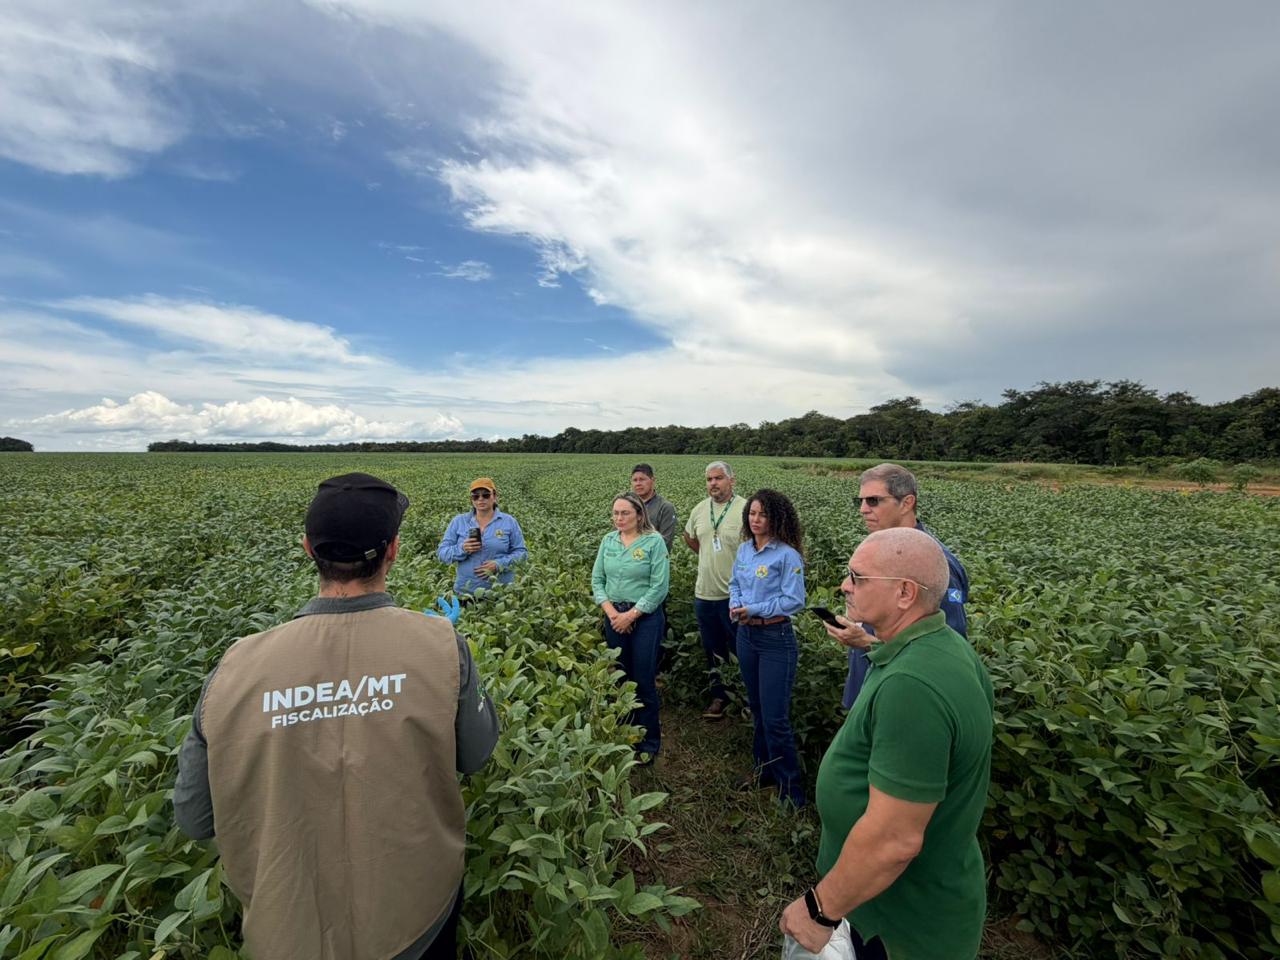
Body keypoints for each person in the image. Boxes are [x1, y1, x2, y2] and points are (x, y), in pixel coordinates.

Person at [173, 472, 500, 960]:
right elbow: (476, 754)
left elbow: (195, 818)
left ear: (308, 548)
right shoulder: (439, 646)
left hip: (287, 923)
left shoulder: (237, 665)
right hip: (416, 914)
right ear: (392, 550)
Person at [780, 527, 993, 960]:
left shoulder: (913, 685)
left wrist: (820, 911)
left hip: (904, 923)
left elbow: (894, 840)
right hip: (887, 903)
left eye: (857, 577)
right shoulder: (940, 647)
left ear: (904, 594)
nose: (844, 585)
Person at [826, 463, 969, 708]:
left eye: (873, 501)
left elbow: (947, 649)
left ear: (907, 502)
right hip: (871, 687)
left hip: (903, 700)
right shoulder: (879, 549)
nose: (863, 509)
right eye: (859, 501)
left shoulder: (933, 563)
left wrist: (868, 642)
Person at [729, 488, 806, 807]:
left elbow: (794, 600)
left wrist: (755, 609)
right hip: (747, 637)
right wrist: (735, 604)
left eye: (763, 514)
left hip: (776, 640)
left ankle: (793, 791)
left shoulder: (787, 555)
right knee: (758, 709)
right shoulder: (745, 550)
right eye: (752, 513)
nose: (756, 519)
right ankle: (764, 771)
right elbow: (734, 583)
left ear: (776, 517)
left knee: (776, 717)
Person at [591, 491, 670, 763]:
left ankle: (649, 741)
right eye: (615, 513)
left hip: (645, 617)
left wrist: (632, 615)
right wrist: (613, 613)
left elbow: (659, 587)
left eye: (625, 513)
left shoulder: (653, 542)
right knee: (621, 678)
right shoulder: (608, 541)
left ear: (639, 514)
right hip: (614, 615)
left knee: (643, 679)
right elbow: (597, 581)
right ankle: (626, 735)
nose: (619, 518)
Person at [682, 460, 748, 720]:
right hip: (704, 594)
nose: (713, 484)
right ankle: (720, 695)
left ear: (732, 480)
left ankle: (744, 697)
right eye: (709, 479)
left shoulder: (746, 509)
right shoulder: (700, 510)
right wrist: (707, 554)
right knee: (713, 649)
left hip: (735, 596)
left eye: (718, 478)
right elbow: (689, 537)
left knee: (740, 648)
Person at [437, 477, 528, 597]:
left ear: (494, 497)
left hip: (501, 593)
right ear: (471, 499)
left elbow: (522, 553)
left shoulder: (509, 522)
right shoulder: (459, 521)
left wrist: (499, 564)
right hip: (466, 593)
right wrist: (462, 549)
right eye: (476, 496)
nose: (480, 499)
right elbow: (442, 554)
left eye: (486, 495)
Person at [630, 463, 678, 549]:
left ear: (653, 480)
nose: (638, 483)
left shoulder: (665, 507)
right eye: (635, 480)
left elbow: (665, 543)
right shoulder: (627, 505)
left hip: (652, 559)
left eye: (642, 479)